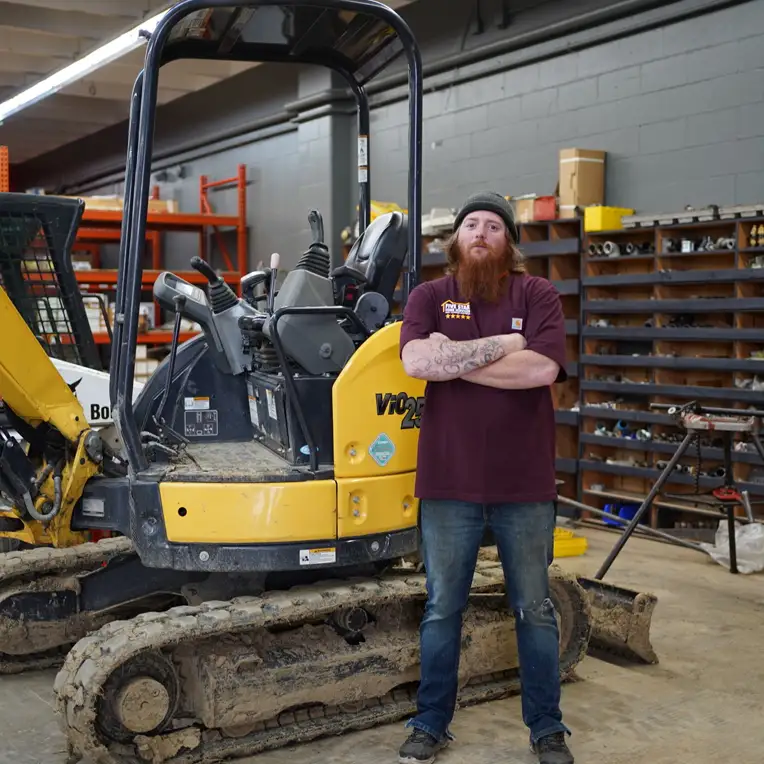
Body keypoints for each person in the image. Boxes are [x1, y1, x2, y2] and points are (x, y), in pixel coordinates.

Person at [396, 191, 574, 764]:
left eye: (493, 226)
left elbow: (542, 370)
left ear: (508, 242)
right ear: (455, 240)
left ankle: (547, 728)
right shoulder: (429, 295)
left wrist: (459, 359)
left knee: (535, 609)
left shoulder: (538, 293)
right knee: (443, 607)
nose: (480, 232)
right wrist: (506, 345)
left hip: (525, 484)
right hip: (448, 484)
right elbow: (418, 363)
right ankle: (430, 723)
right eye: (470, 224)